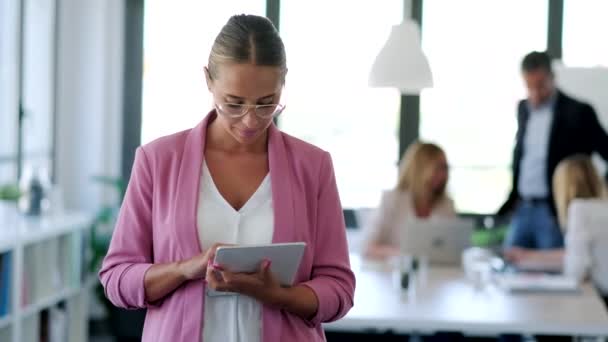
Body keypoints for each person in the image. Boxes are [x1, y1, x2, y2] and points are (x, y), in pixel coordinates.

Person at [99, 14, 355, 342]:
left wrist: (278, 296)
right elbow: (117, 279)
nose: (250, 121)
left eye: (267, 104)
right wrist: (184, 269)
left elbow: (339, 287)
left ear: (284, 82)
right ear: (208, 80)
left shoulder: (313, 166)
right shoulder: (158, 160)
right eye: (233, 104)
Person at [498, 51, 608, 250]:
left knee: (554, 272)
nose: (535, 94)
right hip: (523, 206)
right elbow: (522, 155)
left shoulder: (579, 112)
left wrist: (601, 194)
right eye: (529, 87)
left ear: (552, 78)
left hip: (554, 210)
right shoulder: (523, 109)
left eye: (540, 86)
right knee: (508, 264)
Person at [505, 156, 607, 295]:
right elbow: (580, 255)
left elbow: (576, 270)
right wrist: (528, 257)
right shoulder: (600, 207)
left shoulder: (579, 208)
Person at [364, 142, 455, 260]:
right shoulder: (392, 200)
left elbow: (452, 249)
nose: (443, 174)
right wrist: (404, 254)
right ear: (421, 169)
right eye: (438, 168)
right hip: (395, 273)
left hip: (439, 274)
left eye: (445, 168)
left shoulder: (446, 205)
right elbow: (367, 247)